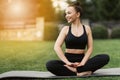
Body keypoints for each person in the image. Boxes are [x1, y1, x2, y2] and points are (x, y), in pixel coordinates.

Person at [46, 1, 110, 76]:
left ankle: (75, 71)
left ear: (78, 14)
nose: (66, 15)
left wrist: (82, 63)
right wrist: (68, 63)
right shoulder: (65, 29)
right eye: (66, 13)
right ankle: (80, 73)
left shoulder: (87, 28)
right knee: (50, 64)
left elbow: (90, 48)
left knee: (105, 57)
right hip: (68, 61)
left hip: (82, 61)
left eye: (69, 13)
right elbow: (57, 47)